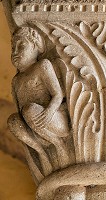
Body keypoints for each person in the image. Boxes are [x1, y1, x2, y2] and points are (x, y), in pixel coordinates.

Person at [8, 27, 70, 172]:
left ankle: (59, 143)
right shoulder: (16, 81)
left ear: (35, 46)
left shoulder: (42, 66)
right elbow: (19, 110)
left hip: (53, 119)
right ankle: (41, 152)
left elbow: (58, 95)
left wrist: (49, 112)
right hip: (35, 126)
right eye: (13, 48)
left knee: (29, 110)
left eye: (21, 46)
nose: (15, 52)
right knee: (13, 120)